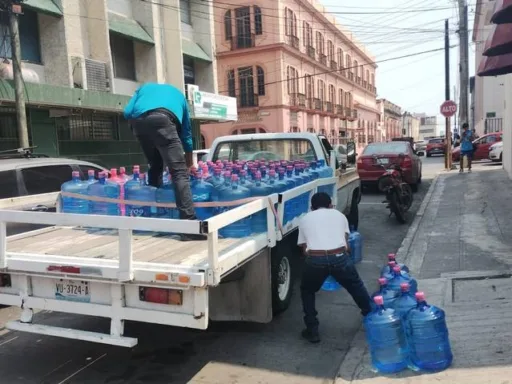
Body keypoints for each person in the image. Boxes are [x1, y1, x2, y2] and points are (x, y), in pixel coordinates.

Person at [123, 83, 204, 241]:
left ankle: (155, 218)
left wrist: (140, 123)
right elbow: (186, 134)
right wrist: (188, 164)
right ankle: (188, 227)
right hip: (163, 120)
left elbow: (127, 112)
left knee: (155, 166)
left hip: (138, 124)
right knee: (179, 173)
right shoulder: (181, 97)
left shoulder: (142, 89)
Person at [297, 192, 372, 343]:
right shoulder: (340, 216)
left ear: (312, 207)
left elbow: (304, 250)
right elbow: (347, 245)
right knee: (356, 286)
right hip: (339, 257)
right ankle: (371, 316)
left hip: (315, 259)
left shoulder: (305, 219)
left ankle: (312, 330)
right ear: (331, 205)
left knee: (308, 291)